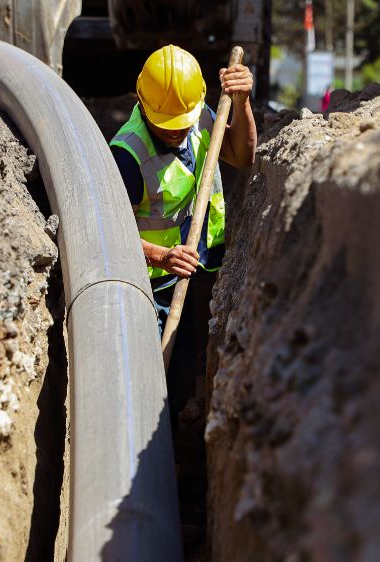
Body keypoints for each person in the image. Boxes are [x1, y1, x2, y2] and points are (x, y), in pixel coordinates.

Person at [109, 44, 256, 425]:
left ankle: (175, 428)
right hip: (149, 285)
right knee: (149, 378)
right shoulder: (128, 155)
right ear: (143, 104)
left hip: (197, 269)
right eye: (166, 124)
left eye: (182, 123)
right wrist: (161, 256)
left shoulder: (199, 115)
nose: (176, 131)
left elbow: (242, 156)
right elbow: (110, 234)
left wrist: (241, 102)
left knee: (186, 365)